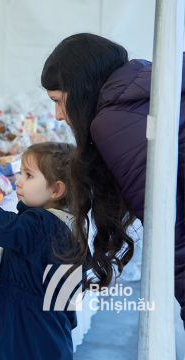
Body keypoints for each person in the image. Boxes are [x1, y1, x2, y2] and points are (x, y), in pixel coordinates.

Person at [41, 33, 185, 326]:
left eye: (58, 101)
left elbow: (172, 231)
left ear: (82, 88)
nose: (57, 115)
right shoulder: (145, 84)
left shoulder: (113, 122)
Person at [0, 142, 86, 360]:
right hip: (53, 333)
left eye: (29, 175)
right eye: (21, 172)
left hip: (25, 336)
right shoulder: (71, 226)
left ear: (56, 190)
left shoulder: (40, 225)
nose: (18, 180)